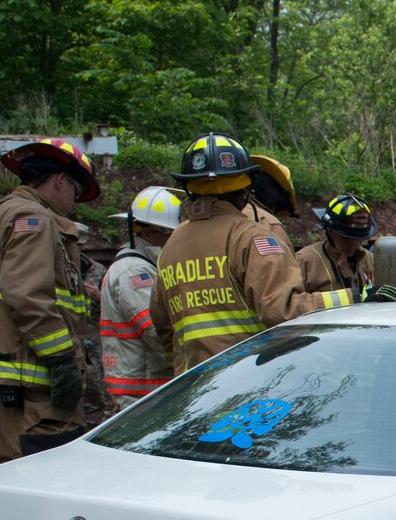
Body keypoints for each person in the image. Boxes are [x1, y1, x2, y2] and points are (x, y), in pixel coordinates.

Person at [149, 134, 361, 375]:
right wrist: (355, 297)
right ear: (244, 191)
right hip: (245, 382)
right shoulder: (252, 237)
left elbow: (162, 323)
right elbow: (283, 311)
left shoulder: (171, 244)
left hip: (194, 391)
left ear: (189, 189)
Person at [0, 138, 96, 461]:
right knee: (45, 476)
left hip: (8, 375)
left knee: (8, 474)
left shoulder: (2, 216)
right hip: (34, 383)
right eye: (76, 191)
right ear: (59, 181)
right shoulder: (34, 218)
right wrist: (62, 361)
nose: (74, 201)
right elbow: (27, 294)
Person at [99, 186, 180, 409]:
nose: (173, 239)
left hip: (143, 387)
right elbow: (155, 329)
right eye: (170, 234)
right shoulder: (134, 271)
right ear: (153, 232)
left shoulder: (139, 264)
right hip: (142, 391)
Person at [299, 193, 375, 298]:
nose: (353, 244)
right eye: (346, 238)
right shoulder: (305, 261)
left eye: (358, 239)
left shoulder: (370, 260)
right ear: (330, 231)